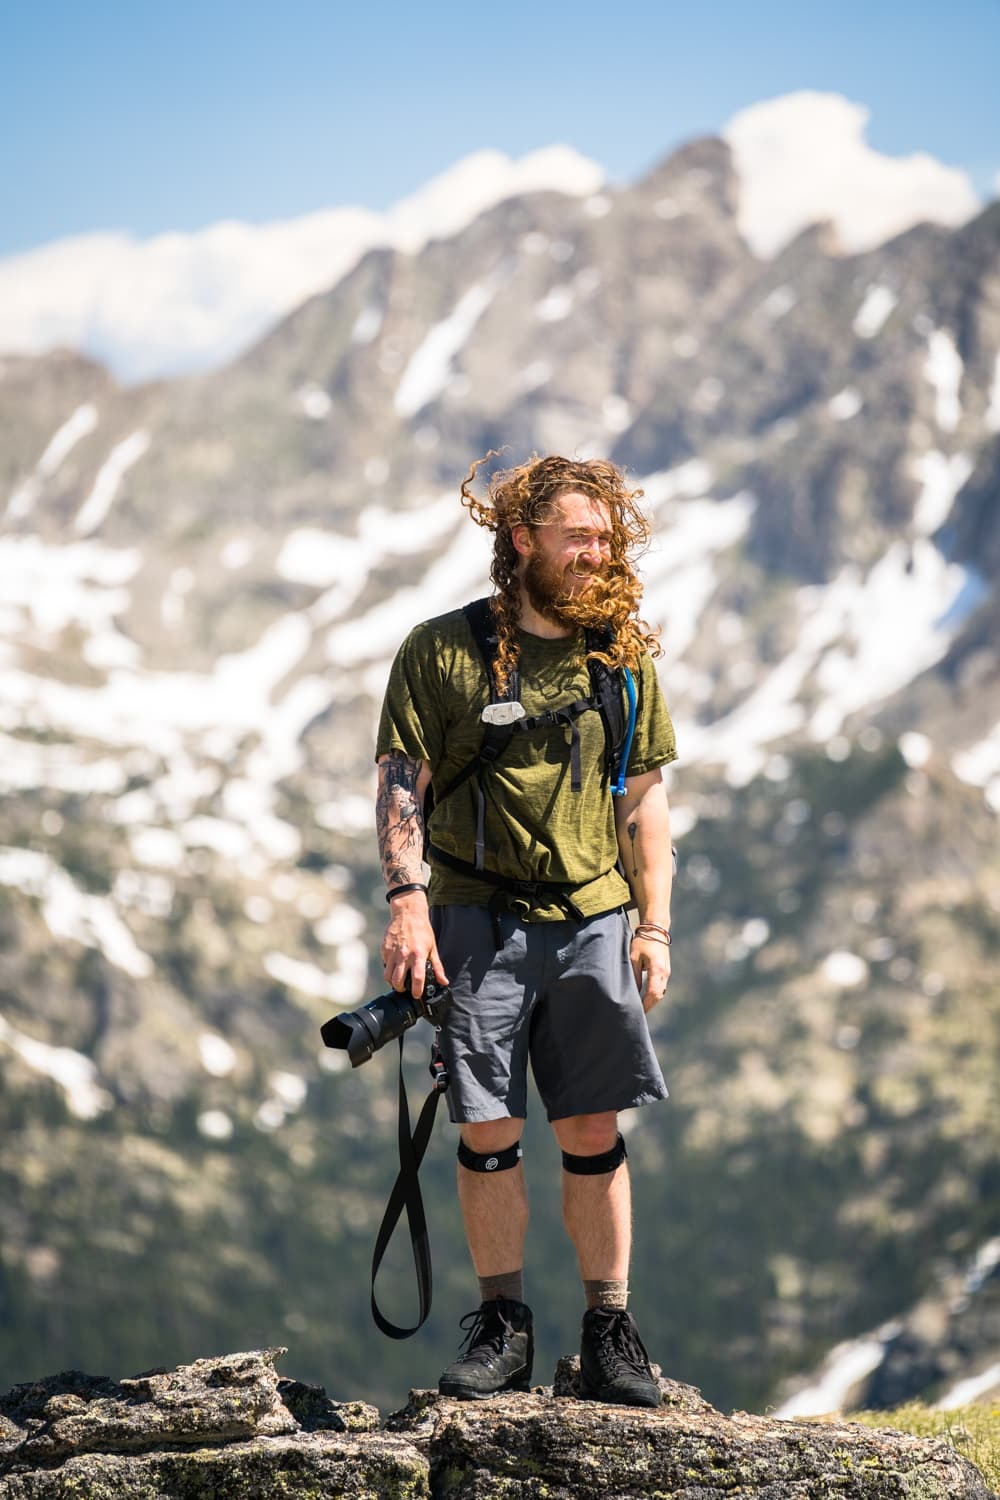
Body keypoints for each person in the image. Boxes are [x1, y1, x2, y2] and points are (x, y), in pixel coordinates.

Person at [375, 452, 676, 1405]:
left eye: (603, 539)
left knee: (593, 1128)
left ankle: (609, 1328)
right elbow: (399, 783)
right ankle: (503, 1323)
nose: (594, 555)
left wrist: (654, 928)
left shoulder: (620, 655)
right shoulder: (441, 650)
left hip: (594, 918)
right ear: (522, 541)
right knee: (487, 1128)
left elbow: (645, 802)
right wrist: (406, 901)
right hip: (476, 920)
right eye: (576, 537)